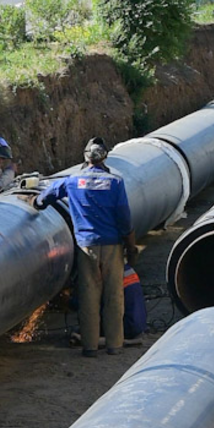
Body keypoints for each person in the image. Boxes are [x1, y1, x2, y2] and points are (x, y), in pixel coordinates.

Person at [38, 138, 139, 357]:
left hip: (86, 247)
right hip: (112, 246)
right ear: (105, 157)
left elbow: (44, 198)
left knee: (89, 296)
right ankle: (114, 345)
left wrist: (35, 202)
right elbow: (125, 218)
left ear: (85, 158)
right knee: (114, 296)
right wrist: (131, 247)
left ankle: (90, 347)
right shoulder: (115, 182)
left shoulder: (72, 181)